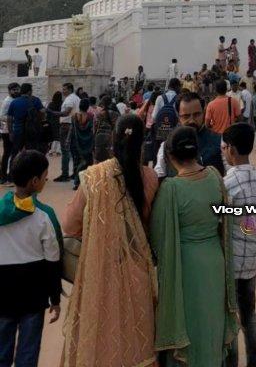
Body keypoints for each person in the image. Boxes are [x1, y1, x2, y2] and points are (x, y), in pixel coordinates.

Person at [62, 114, 158, 367]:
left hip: (100, 273)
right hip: (139, 271)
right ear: (142, 145)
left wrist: (101, 235)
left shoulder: (93, 179)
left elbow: (70, 227)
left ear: (112, 143)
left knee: (102, 337)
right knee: (136, 340)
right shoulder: (151, 178)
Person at [151, 126, 238, 366]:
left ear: (169, 156)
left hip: (186, 266)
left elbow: (158, 237)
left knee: (189, 325)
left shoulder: (170, 189)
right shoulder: (214, 177)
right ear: (197, 150)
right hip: (214, 260)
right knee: (211, 323)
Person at [0, 150, 62, 367]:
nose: (46, 179)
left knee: (1, 352)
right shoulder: (45, 216)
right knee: (28, 354)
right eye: (45, 176)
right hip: (33, 299)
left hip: (3, 296)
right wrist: (55, 299)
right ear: (35, 181)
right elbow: (53, 262)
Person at [223, 123, 256, 367]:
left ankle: (231, 362)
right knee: (249, 314)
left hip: (230, 261)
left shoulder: (226, 184)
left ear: (231, 149)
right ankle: (254, 362)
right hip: (251, 257)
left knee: (230, 317)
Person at [155, 92, 225, 178]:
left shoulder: (220, 141)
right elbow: (159, 175)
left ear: (203, 113)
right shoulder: (166, 146)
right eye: (186, 116)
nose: (192, 120)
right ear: (178, 117)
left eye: (196, 115)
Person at [7, 82, 44, 158]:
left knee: (15, 154)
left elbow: (9, 119)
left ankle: (14, 168)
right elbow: (42, 113)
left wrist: (10, 132)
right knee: (32, 154)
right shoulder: (36, 100)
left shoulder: (14, 102)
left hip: (18, 131)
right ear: (29, 91)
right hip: (32, 132)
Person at [54, 82, 80, 182]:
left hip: (66, 125)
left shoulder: (69, 99)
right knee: (73, 150)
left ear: (69, 89)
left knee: (65, 150)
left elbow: (67, 112)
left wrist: (53, 113)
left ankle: (65, 174)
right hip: (74, 124)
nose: (63, 91)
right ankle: (74, 172)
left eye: (64, 89)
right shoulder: (77, 98)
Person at [71, 97, 94, 189]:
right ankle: (86, 181)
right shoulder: (90, 116)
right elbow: (92, 129)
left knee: (77, 161)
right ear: (87, 106)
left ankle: (77, 183)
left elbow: (72, 129)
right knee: (88, 162)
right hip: (88, 141)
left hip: (76, 141)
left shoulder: (74, 116)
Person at [0, 83, 20, 183]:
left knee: (13, 154)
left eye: (17, 90)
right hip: (7, 131)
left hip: (12, 130)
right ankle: (4, 176)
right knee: (7, 154)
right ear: (9, 91)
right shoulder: (7, 102)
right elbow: (2, 116)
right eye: (14, 90)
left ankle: (8, 175)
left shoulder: (15, 100)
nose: (16, 92)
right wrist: (14, 120)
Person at [93, 94, 120, 163]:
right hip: (110, 136)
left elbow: (95, 126)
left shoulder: (99, 114)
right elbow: (117, 126)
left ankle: (98, 173)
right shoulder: (115, 114)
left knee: (98, 158)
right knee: (109, 158)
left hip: (99, 136)